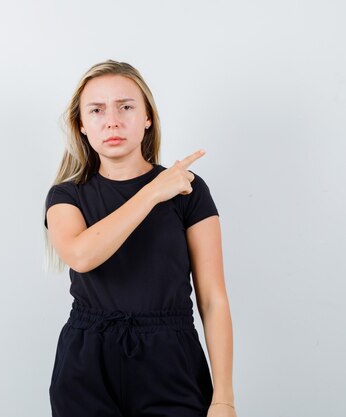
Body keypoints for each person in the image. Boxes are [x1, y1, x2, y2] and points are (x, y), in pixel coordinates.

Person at [43, 60, 237, 417]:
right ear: (82, 125)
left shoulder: (188, 190)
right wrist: (152, 192)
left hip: (171, 361)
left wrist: (223, 397)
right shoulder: (66, 196)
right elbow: (82, 255)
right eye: (97, 110)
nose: (112, 120)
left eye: (126, 107)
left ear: (147, 116)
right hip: (87, 363)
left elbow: (213, 300)